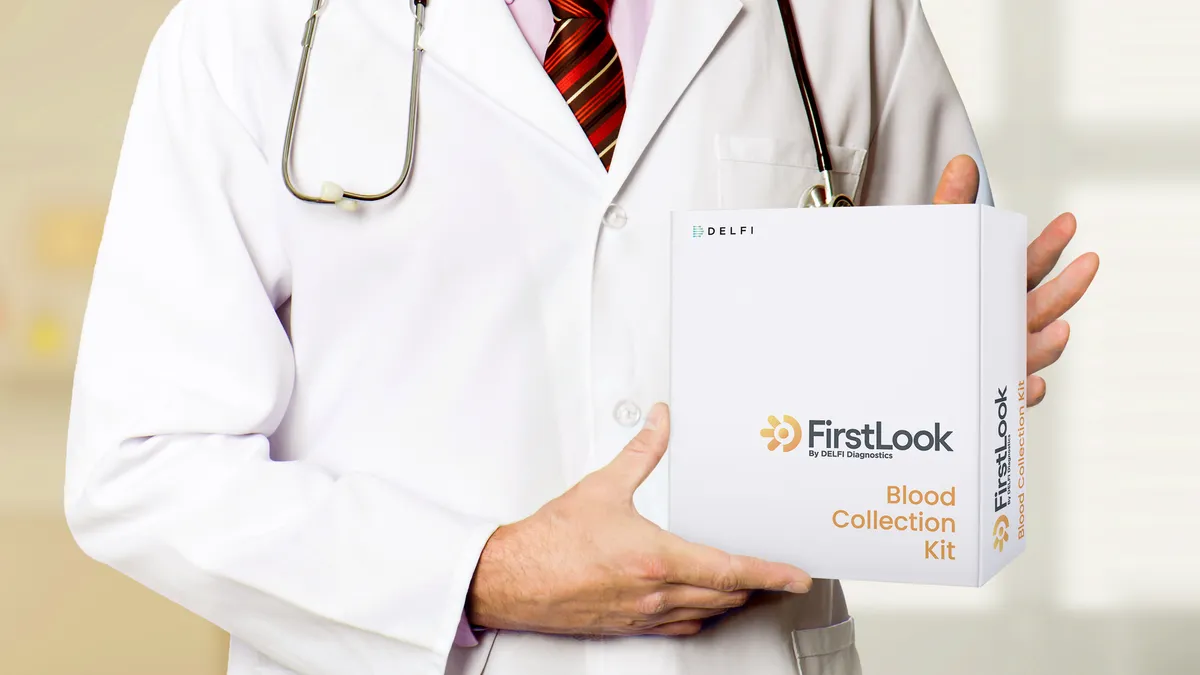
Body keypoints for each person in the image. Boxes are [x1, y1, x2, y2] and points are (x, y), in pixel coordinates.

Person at [63, 0, 1098, 674]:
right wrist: (484, 572)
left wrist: (943, 377)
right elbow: (142, 469)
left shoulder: (827, 16)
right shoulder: (247, 34)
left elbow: (909, 352)